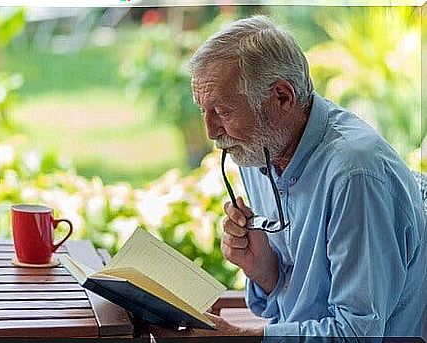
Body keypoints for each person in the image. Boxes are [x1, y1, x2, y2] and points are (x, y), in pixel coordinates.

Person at [153, 15, 426, 339]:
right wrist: (266, 272)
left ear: (282, 97)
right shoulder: (259, 149)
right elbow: (297, 307)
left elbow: (358, 333)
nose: (212, 132)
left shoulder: (355, 175)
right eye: (204, 111)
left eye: (223, 111)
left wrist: (238, 338)